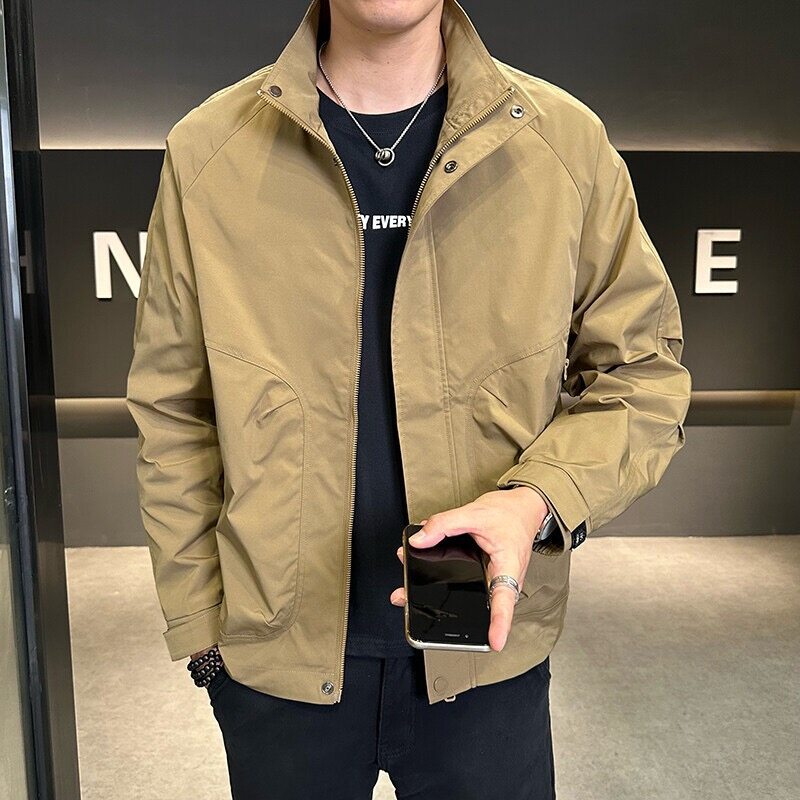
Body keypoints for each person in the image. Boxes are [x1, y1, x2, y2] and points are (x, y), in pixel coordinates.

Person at [125, 0, 691, 797]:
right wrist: (200, 628)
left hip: (483, 648)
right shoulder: (209, 150)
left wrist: (538, 501)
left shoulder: (561, 142)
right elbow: (173, 408)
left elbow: (643, 371)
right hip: (279, 662)